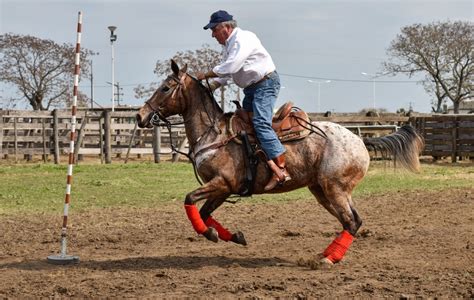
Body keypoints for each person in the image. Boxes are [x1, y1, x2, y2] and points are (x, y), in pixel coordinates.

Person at [197, 10, 291, 191]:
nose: (212, 34)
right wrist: (210, 87)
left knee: (260, 123)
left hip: (265, 85)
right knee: (241, 125)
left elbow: (231, 66)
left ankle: (281, 170)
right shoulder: (228, 46)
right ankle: (256, 164)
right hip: (252, 88)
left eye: (214, 29)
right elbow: (226, 75)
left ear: (226, 27)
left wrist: (205, 75)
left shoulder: (243, 39)